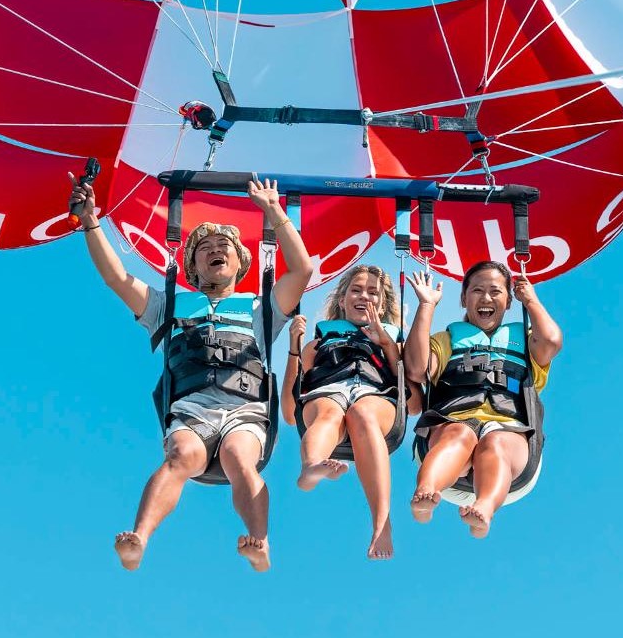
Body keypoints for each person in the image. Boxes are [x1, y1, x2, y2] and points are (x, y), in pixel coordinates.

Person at [69, 172, 312, 572]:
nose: (216, 251)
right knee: (181, 455)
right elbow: (117, 277)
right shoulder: (170, 305)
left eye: (225, 247)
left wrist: (272, 209)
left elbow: (301, 272)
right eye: (206, 248)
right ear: (194, 267)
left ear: (239, 262)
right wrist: (90, 221)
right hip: (192, 408)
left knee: (238, 457)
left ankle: (261, 542)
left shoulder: (259, 309)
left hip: (245, 410)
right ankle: (139, 538)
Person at [404, 261, 562, 538]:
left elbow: (550, 340)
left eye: (495, 291)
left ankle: (485, 507)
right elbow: (416, 368)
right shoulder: (448, 340)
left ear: (509, 301)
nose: (486, 298)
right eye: (477, 290)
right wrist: (426, 306)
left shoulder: (526, 342)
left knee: (496, 441)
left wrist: (531, 299)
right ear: (464, 298)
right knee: (459, 434)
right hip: (454, 418)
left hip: (508, 425)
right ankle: (426, 491)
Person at [281, 265, 408, 560]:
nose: (364, 296)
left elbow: (411, 399)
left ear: (383, 304)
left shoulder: (393, 340)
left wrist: (386, 343)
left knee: (362, 413)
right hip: (328, 391)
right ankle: (312, 465)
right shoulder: (318, 342)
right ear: (343, 299)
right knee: (331, 412)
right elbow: (289, 412)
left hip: (375, 396)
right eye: (356, 290)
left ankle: (381, 522)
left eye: (373, 292)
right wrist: (294, 349)